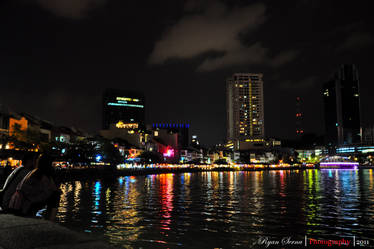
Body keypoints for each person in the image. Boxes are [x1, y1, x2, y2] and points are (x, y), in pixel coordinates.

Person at [9, 154, 60, 221]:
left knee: (53, 194)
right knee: (55, 195)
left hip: (17, 204)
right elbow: (51, 190)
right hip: (25, 206)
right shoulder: (42, 175)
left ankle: (49, 220)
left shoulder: (34, 172)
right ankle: (50, 220)